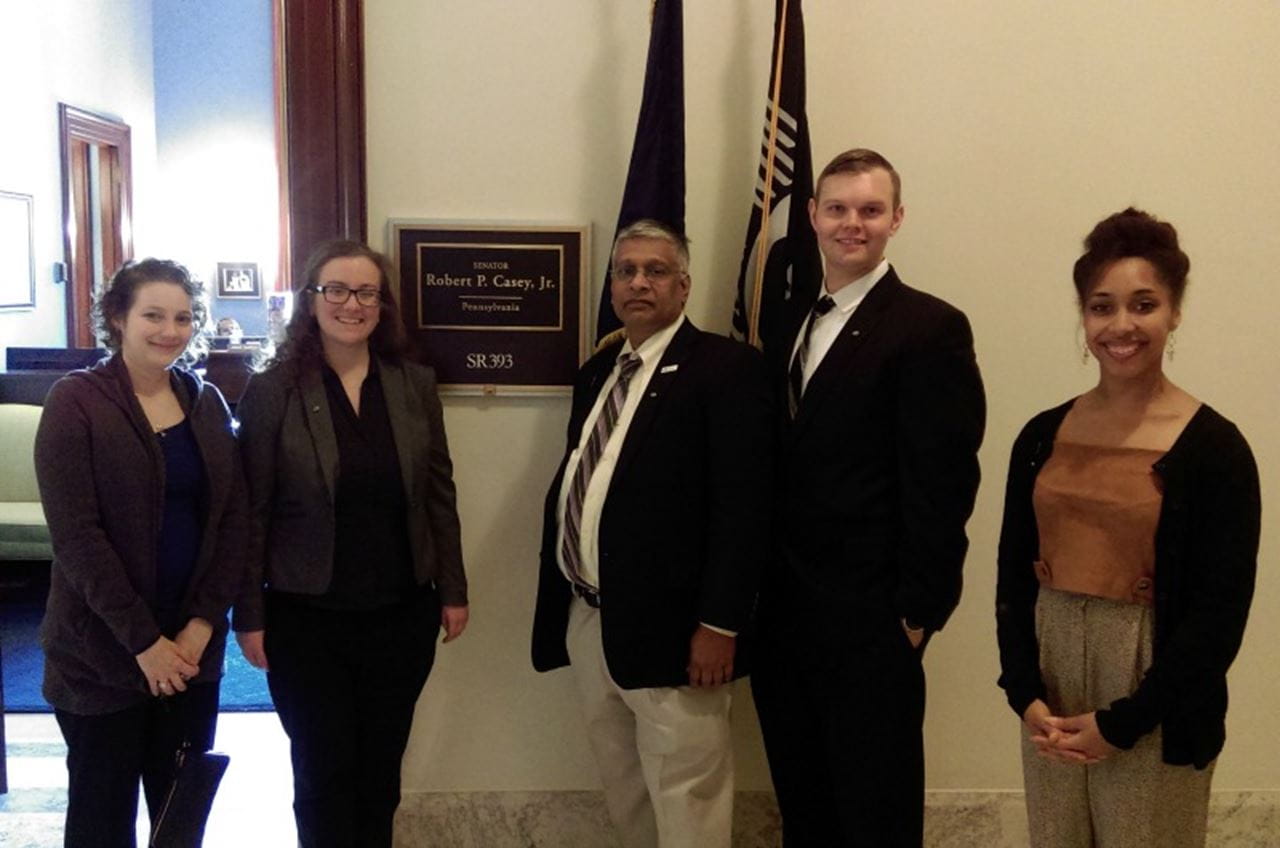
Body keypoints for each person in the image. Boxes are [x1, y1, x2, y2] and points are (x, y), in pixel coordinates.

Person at [995, 208, 1260, 847]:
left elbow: (1218, 615)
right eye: (1101, 306)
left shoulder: (1215, 449)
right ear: (1083, 316)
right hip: (1052, 683)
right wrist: (1023, 690)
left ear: (1174, 312)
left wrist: (1126, 720)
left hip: (1154, 687)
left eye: (1143, 305)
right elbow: (1011, 573)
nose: (1121, 326)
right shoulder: (1040, 435)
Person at [752, 148, 986, 846]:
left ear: (896, 219)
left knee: (873, 814)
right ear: (815, 217)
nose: (853, 223)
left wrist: (917, 614)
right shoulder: (787, 316)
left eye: (870, 209)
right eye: (838, 208)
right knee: (806, 809)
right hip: (783, 618)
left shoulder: (929, 328)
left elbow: (944, 483)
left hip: (871, 622)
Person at [531, 219, 773, 848]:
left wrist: (720, 624)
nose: (639, 282)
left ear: (685, 286)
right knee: (625, 786)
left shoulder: (727, 370)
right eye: (626, 270)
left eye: (656, 270)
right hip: (592, 619)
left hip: (679, 630)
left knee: (686, 795)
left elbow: (744, 508)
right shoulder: (601, 370)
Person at [233, 240, 469, 848]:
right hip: (305, 621)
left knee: (380, 772)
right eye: (335, 289)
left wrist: (454, 589)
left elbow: (438, 492)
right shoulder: (274, 389)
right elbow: (251, 510)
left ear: (383, 305)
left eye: (367, 292)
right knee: (322, 772)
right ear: (311, 301)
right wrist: (248, 616)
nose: (352, 304)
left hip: (402, 614)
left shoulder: (412, 383)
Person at [34, 258, 246, 847]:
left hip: (189, 655)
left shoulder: (205, 403)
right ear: (118, 318)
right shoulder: (75, 403)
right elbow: (77, 537)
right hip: (100, 655)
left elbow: (232, 521)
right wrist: (144, 644)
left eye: (182, 317)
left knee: (180, 818)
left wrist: (203, 625)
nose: (169, 330)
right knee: (102, 821)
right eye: (152, 315)